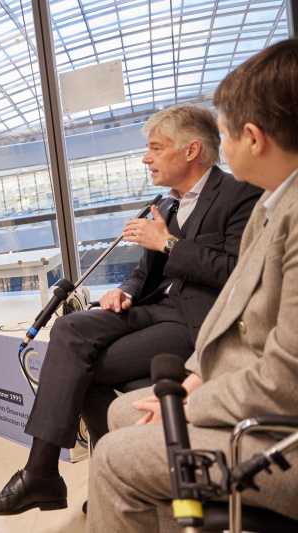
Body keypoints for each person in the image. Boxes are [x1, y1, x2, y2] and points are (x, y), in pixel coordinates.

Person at [0, 103, 263, 515]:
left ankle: (64, 476)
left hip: (197, 323)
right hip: (152, 309)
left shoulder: (241, 195)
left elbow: (237, 273)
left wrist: (168, 243)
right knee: (71, 330)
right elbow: (144, 274)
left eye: (155, 149)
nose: (146, 158)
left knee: (77, 368)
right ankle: (50, 474)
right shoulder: (164, 204)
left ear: (191, 150)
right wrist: (123, 291)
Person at [86, 38, 298, 532]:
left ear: (253, 137)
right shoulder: (273, 207)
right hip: (239, 386)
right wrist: (197, 379)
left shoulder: (269, 210)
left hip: (277, 433)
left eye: (223, 135)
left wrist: (189, 402)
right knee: (122, 412)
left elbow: (284, 379)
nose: (147, 160)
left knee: (117, 455)